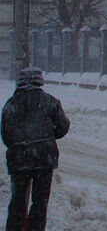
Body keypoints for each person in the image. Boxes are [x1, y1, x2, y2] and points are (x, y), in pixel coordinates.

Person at [2, 68, 69, 231]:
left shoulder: (11, 104)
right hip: (44, 159)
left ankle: (15, 227)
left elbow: (6, 134)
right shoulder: (50, 101)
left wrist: (19, 145)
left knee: (18, 200)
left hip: (19, 159)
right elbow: (63, 126)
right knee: (40, 202)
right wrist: (47, 136)